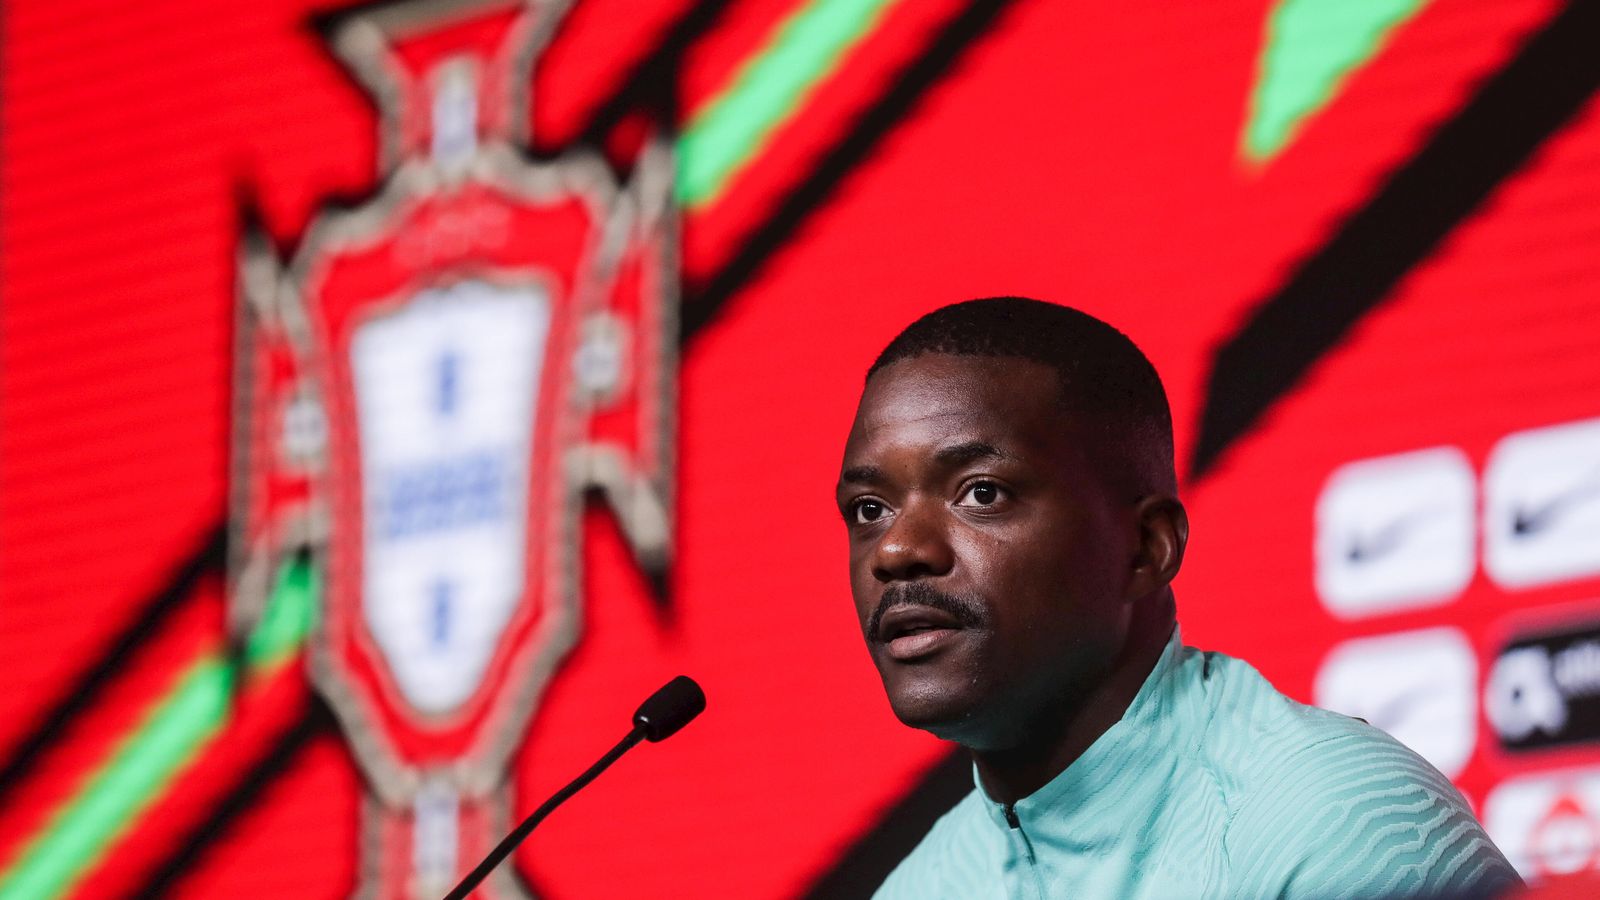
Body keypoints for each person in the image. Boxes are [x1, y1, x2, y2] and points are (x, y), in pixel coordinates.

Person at [835, 297, 1519, 898]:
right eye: (868, 509)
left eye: (982, 493)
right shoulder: (924, 886)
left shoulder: (1335, 823)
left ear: (1146, 548)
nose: (896, 550)